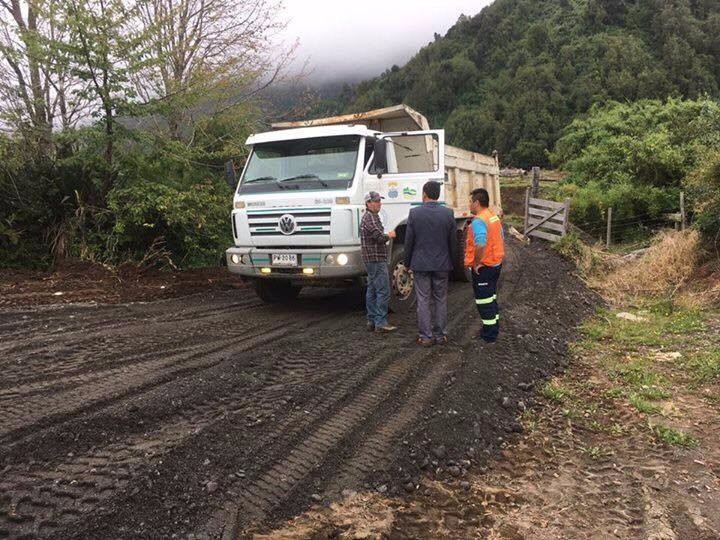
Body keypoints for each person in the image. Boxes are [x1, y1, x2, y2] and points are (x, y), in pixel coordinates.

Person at [404, 181, 457, 346]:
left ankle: (426, 337)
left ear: (424, 194)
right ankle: (441, 335)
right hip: (442, 264)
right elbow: (453, 242)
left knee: (423, 300)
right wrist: (453, 263)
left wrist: (407, 262)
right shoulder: (448, 214)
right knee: (441, 299)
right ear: (438, 195)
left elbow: (409, 241)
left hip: (420, 264)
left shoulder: (414, 214)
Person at [465, 188, 505, 342]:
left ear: (476, 202)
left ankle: (489, 335)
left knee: (484, 301)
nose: (469, 204)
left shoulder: (479, 220)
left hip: (484, 267)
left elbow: (480, 243)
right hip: (495, 263)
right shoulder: (492, 215)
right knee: (491, 298)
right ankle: (493, 327)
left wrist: (475, 263)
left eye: (470, 201)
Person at [361, 191, 397, 333]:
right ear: (368, 203)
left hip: (371, 259)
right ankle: (380, 322)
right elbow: (378, 237)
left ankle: (371, 320)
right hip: (375, 259)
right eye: (376, 201)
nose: (379, 203)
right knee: (383, 290)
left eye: (379, 201)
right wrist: (389, 235)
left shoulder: (371, 216)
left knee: (372, 289)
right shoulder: (370, 218)